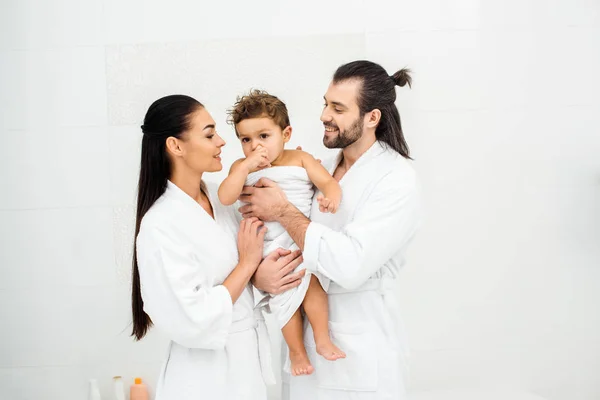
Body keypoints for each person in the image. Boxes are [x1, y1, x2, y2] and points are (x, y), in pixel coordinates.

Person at [239, 61, 421, 399]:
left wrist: (282, 209)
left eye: (337, 108)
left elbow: (351, 264)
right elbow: (282, 242)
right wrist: (260, 276)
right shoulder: (318, 170)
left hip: (359, 355)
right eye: (325, 103)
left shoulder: (396, 180)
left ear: (372, 118)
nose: (324, 115)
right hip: (304, 351)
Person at [129, 94, 304, 400]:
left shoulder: (223, 199)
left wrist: (257, 277)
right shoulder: (160, 225)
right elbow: (192, 318)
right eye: (209, 134)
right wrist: (248, 267)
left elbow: (258, 261)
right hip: (203, 379)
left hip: (247, 367)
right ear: (176, 146)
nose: (223, 142)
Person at [218, 90, 346, 377]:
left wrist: (331, 198)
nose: (255, 146)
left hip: (300, 237)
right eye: (246, 140)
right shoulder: (240, 167)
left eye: (264, 136)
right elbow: (226, 196)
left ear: (285, 133)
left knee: (313, 287)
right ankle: (297, 352)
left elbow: (327, 182)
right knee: (284, 299)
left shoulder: (300, 158)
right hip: (269, 246)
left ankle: (322, 338)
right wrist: (244, 169)